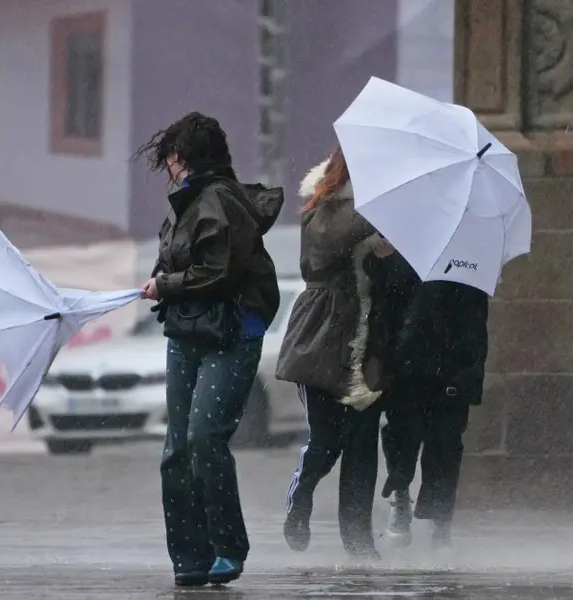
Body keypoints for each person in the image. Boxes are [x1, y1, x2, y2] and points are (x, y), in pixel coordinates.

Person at [135, 112, 282, 587]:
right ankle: (189, 559)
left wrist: (167, 284)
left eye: (172, 158)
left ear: (185, 157)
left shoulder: (220, 201)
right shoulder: (184, 205)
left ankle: (226, 547)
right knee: (176, 450)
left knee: (202, 437)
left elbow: (219, 272)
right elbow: (176, 261)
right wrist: (162, 279)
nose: (169, 167)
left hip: (232, 332)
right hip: (187, 332)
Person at [275, 147, 390, 561]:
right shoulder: (323, 205)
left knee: (361, 443)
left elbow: (389, 277)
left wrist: (391, 249)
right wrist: (378, 222)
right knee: (326, 439)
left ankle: (359, 541)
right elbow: (330, 242)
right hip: (321, 333)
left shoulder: (380, 213)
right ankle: (301, 496)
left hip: (366, 341)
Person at [372, 252, 489, 550]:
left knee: (445, 444)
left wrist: (468, 375)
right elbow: (386, 306)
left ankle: (440, 520)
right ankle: (400, 496)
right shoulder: (404, 254)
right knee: (402, 436)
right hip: (408, 366)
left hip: (450, 366)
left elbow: (475, 324)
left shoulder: (469, 262)